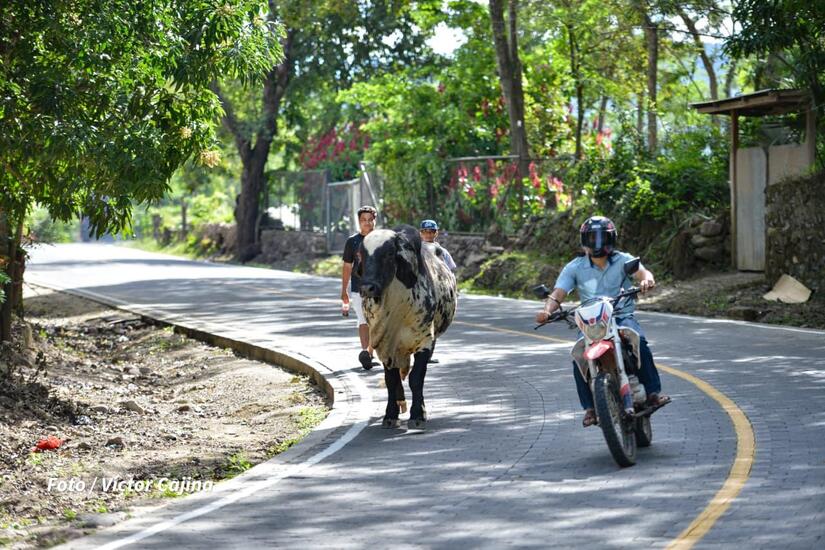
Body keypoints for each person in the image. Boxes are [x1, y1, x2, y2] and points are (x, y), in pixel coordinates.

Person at [534, 215, 670, 427]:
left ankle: (652, 393)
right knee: (579, 355)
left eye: (602, 238)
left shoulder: (623, 260)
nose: (597, 243)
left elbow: (643, 272)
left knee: (639, 342)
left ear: (611, 239)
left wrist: (647, 280)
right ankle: (590, 408)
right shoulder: (574, 267)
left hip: (621, 316)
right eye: (592, 238)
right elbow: (558, 293)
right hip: (591, 323)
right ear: (584, 241)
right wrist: (547, 311)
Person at [342, 205, 378, 370]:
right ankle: (365, 352)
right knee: (363, 320)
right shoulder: (352, 242)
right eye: (363, 220)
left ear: (375, 220)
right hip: (359, 288)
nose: (367, 223)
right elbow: (347, 266)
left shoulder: (382, 240)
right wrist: (344, 290)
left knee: (376, 322)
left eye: (370, 220)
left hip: (379, 289)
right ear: (359, 221)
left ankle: (370, 352)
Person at [419, 219, 456, 365]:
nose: (428, 234)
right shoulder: (417, 250)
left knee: (435, 321)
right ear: (420, 233)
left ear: (436, 233)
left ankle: (428, 354)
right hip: (421, 292)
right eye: (425, 232)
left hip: (438, 293)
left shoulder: (442, 252)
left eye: (431, 232)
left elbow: (450, 271)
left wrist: (453, 290)